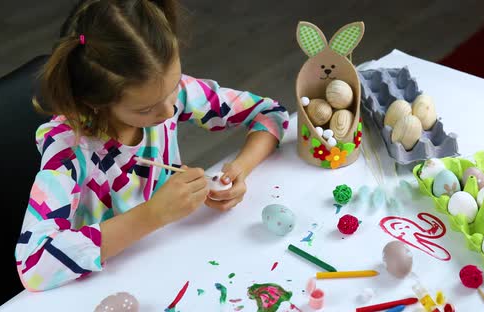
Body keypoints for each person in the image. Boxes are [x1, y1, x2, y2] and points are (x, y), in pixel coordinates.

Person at [15, 0, 289, 291]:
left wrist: (239, 170)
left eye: (172, 89)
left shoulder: (171, 94)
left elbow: (271, 114)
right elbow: (33, 265)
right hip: (107, 284)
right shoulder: (69, 151)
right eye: (146, 110)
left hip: (171, 261)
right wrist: (153, 214)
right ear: (95, 102)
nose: (169, 112)